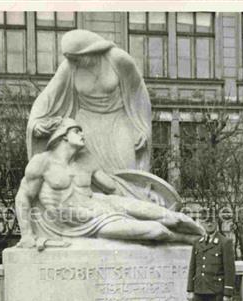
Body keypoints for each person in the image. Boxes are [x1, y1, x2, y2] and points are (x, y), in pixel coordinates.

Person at [15, 118, 204, 247]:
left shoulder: (86, 161)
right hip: (85, 221)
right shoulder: (42, 162)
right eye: (77, 131)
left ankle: (205, 238)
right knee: (157, 230)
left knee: (174, 217)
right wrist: (27, 235)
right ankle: (188, 240)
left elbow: (114, 187)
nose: (82, 135)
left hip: (101, 203)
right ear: (63, 135)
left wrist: (145, 195)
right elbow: (24, 196)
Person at [26, 29, 151, 174]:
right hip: (86, 126)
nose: (74, 62)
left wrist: (142, 127)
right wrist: (35, 122)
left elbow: (138, 94)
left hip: (118, 121)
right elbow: (48, 96)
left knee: (127, 171)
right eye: (71, 59)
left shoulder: (118, 60)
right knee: (88, 175)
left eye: (76, 58)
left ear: (89, 51)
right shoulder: (70, 67)